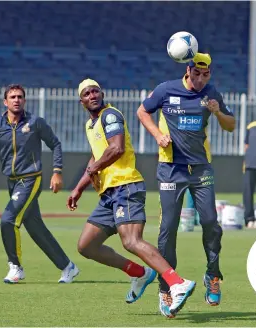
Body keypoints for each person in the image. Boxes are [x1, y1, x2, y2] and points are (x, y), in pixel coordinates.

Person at [67, 78, 196, 317]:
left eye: (95, 91)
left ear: (101, 93)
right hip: (108, 193)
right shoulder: (90, 125)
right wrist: (80, 187)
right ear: (81, 100)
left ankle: (177, 282)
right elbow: (96, 157)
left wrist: (94, 171)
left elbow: (117, 148)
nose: (92, 95)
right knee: (86, 246)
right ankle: (139, 273)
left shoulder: (110, 115)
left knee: (131, 241)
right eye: (87, 93)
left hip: (126, 186)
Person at [136, 53, 235, 316]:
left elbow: (231, 125)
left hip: (201, 168)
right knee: (168, 228)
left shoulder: (212, 93)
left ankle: (212, 275)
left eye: (206, 75)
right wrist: (157, 135)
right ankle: (166, 286)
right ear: (188, 71)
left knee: (211, 222)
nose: (201, 79)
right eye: (197, 74)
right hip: (170, 169)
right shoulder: (166, 89)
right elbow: (142, 111)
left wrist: (217, 112)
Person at [0, 84, 78, 284]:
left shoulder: (35, 122)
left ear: (24, 100)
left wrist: (57, 172)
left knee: (8, 220)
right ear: (5, 102)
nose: (17, 100)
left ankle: (15, 267)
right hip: (13, 183)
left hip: (31, 179)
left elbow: (55, 144)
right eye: (12, 97)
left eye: (20, 97)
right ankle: (68, 267)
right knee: (36, 229)